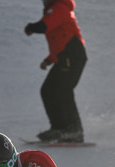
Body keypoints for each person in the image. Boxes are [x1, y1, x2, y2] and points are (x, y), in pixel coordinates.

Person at [24, 0, 87, 144]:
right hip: (64, 57)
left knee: (63, 90)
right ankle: (59, 128)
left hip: (73, 56)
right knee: (47, 90)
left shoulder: (60, 8)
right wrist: (49, 59)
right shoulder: (52, 10)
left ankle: (74, 130)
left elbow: (44, 26)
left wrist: (31, 27)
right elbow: (58, 42)